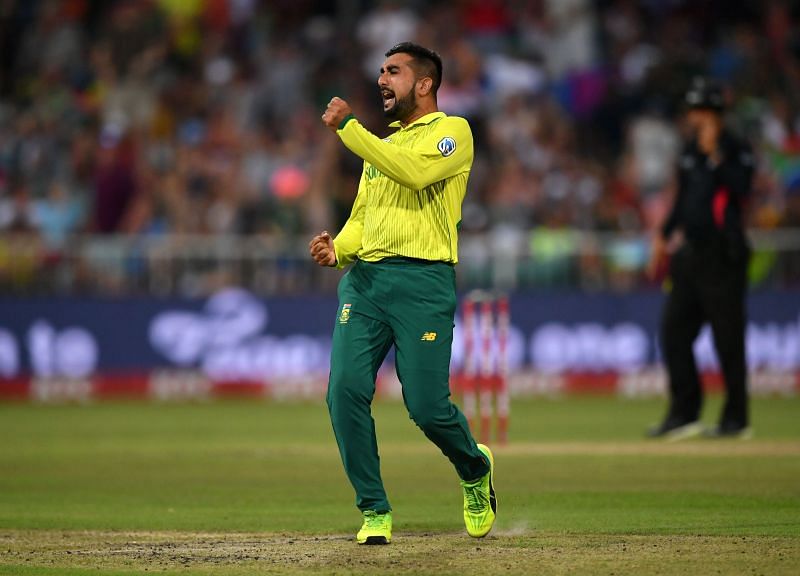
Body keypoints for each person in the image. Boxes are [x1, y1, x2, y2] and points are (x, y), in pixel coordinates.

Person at [308, 42, 496, 544]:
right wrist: (339, 250)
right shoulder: (382, 146)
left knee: (427, 408)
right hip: (366, 284)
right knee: (343, 392)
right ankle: (374, 510)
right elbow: (365, 218)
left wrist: (351, 130)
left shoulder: (453, 133)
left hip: (423, 284)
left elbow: (413, 175)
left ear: (425, 83)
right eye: (380, 71)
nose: (381, 80)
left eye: (393, 72)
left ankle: (474, 469)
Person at [647, 77, 755, 440]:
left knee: (728, 338)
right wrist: (663, 235)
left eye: (701, 111)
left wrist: (715, 156)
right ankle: (684, 413)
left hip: (723, 255)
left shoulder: (736, 148)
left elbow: (741, 189)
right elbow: (684, 203)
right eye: (692, 111)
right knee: (673, 331)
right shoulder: (690, 151)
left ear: (716, 113)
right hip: (690, 255)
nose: (695, 118)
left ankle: (736, 419)